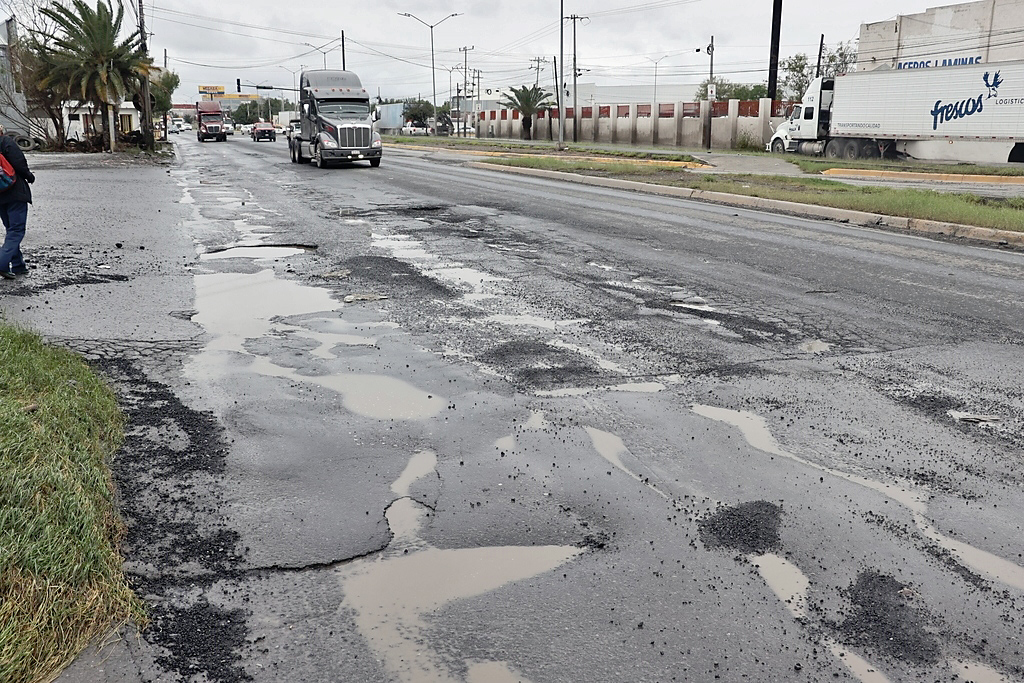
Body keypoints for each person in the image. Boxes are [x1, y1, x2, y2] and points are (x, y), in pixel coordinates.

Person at [0, 124, 35, 280]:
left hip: (0, 196)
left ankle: (18, 265)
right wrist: (29, 176)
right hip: (14, 192)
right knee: (16, 230)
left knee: (11, 230)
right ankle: (1, 263)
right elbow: (19, 163)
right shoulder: (6, 142)